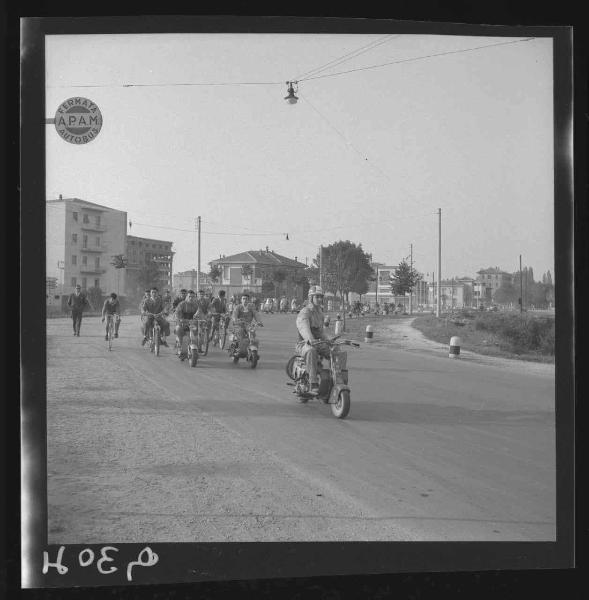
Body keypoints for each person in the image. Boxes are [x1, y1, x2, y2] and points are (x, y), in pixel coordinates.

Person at [295, 285, 332, 396]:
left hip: (318, 343)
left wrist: (329, 340)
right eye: (317, 297)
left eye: (321, 297)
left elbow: (321, 332)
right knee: (311, 351)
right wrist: (310, 339)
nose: (320, 299)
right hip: (304, 344)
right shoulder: (305, 312)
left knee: (336, 351)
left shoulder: (320, 313)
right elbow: (303, 327)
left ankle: (337, 378)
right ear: (311, 298)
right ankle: (313, 383)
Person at [174, 289, 199, 358]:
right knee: (178, 329)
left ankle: (196, 350)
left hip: (192, 324)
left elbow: (199, 313)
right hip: (182, 323)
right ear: (187, 297)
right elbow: (177, 313)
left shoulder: (196, 305)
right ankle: (180, 346)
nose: (191, 298)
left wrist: (204, 318)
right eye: (189, 296)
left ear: (195, 297)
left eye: (193, 297)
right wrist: (180, 319)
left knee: (199, 334)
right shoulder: (182, 304)